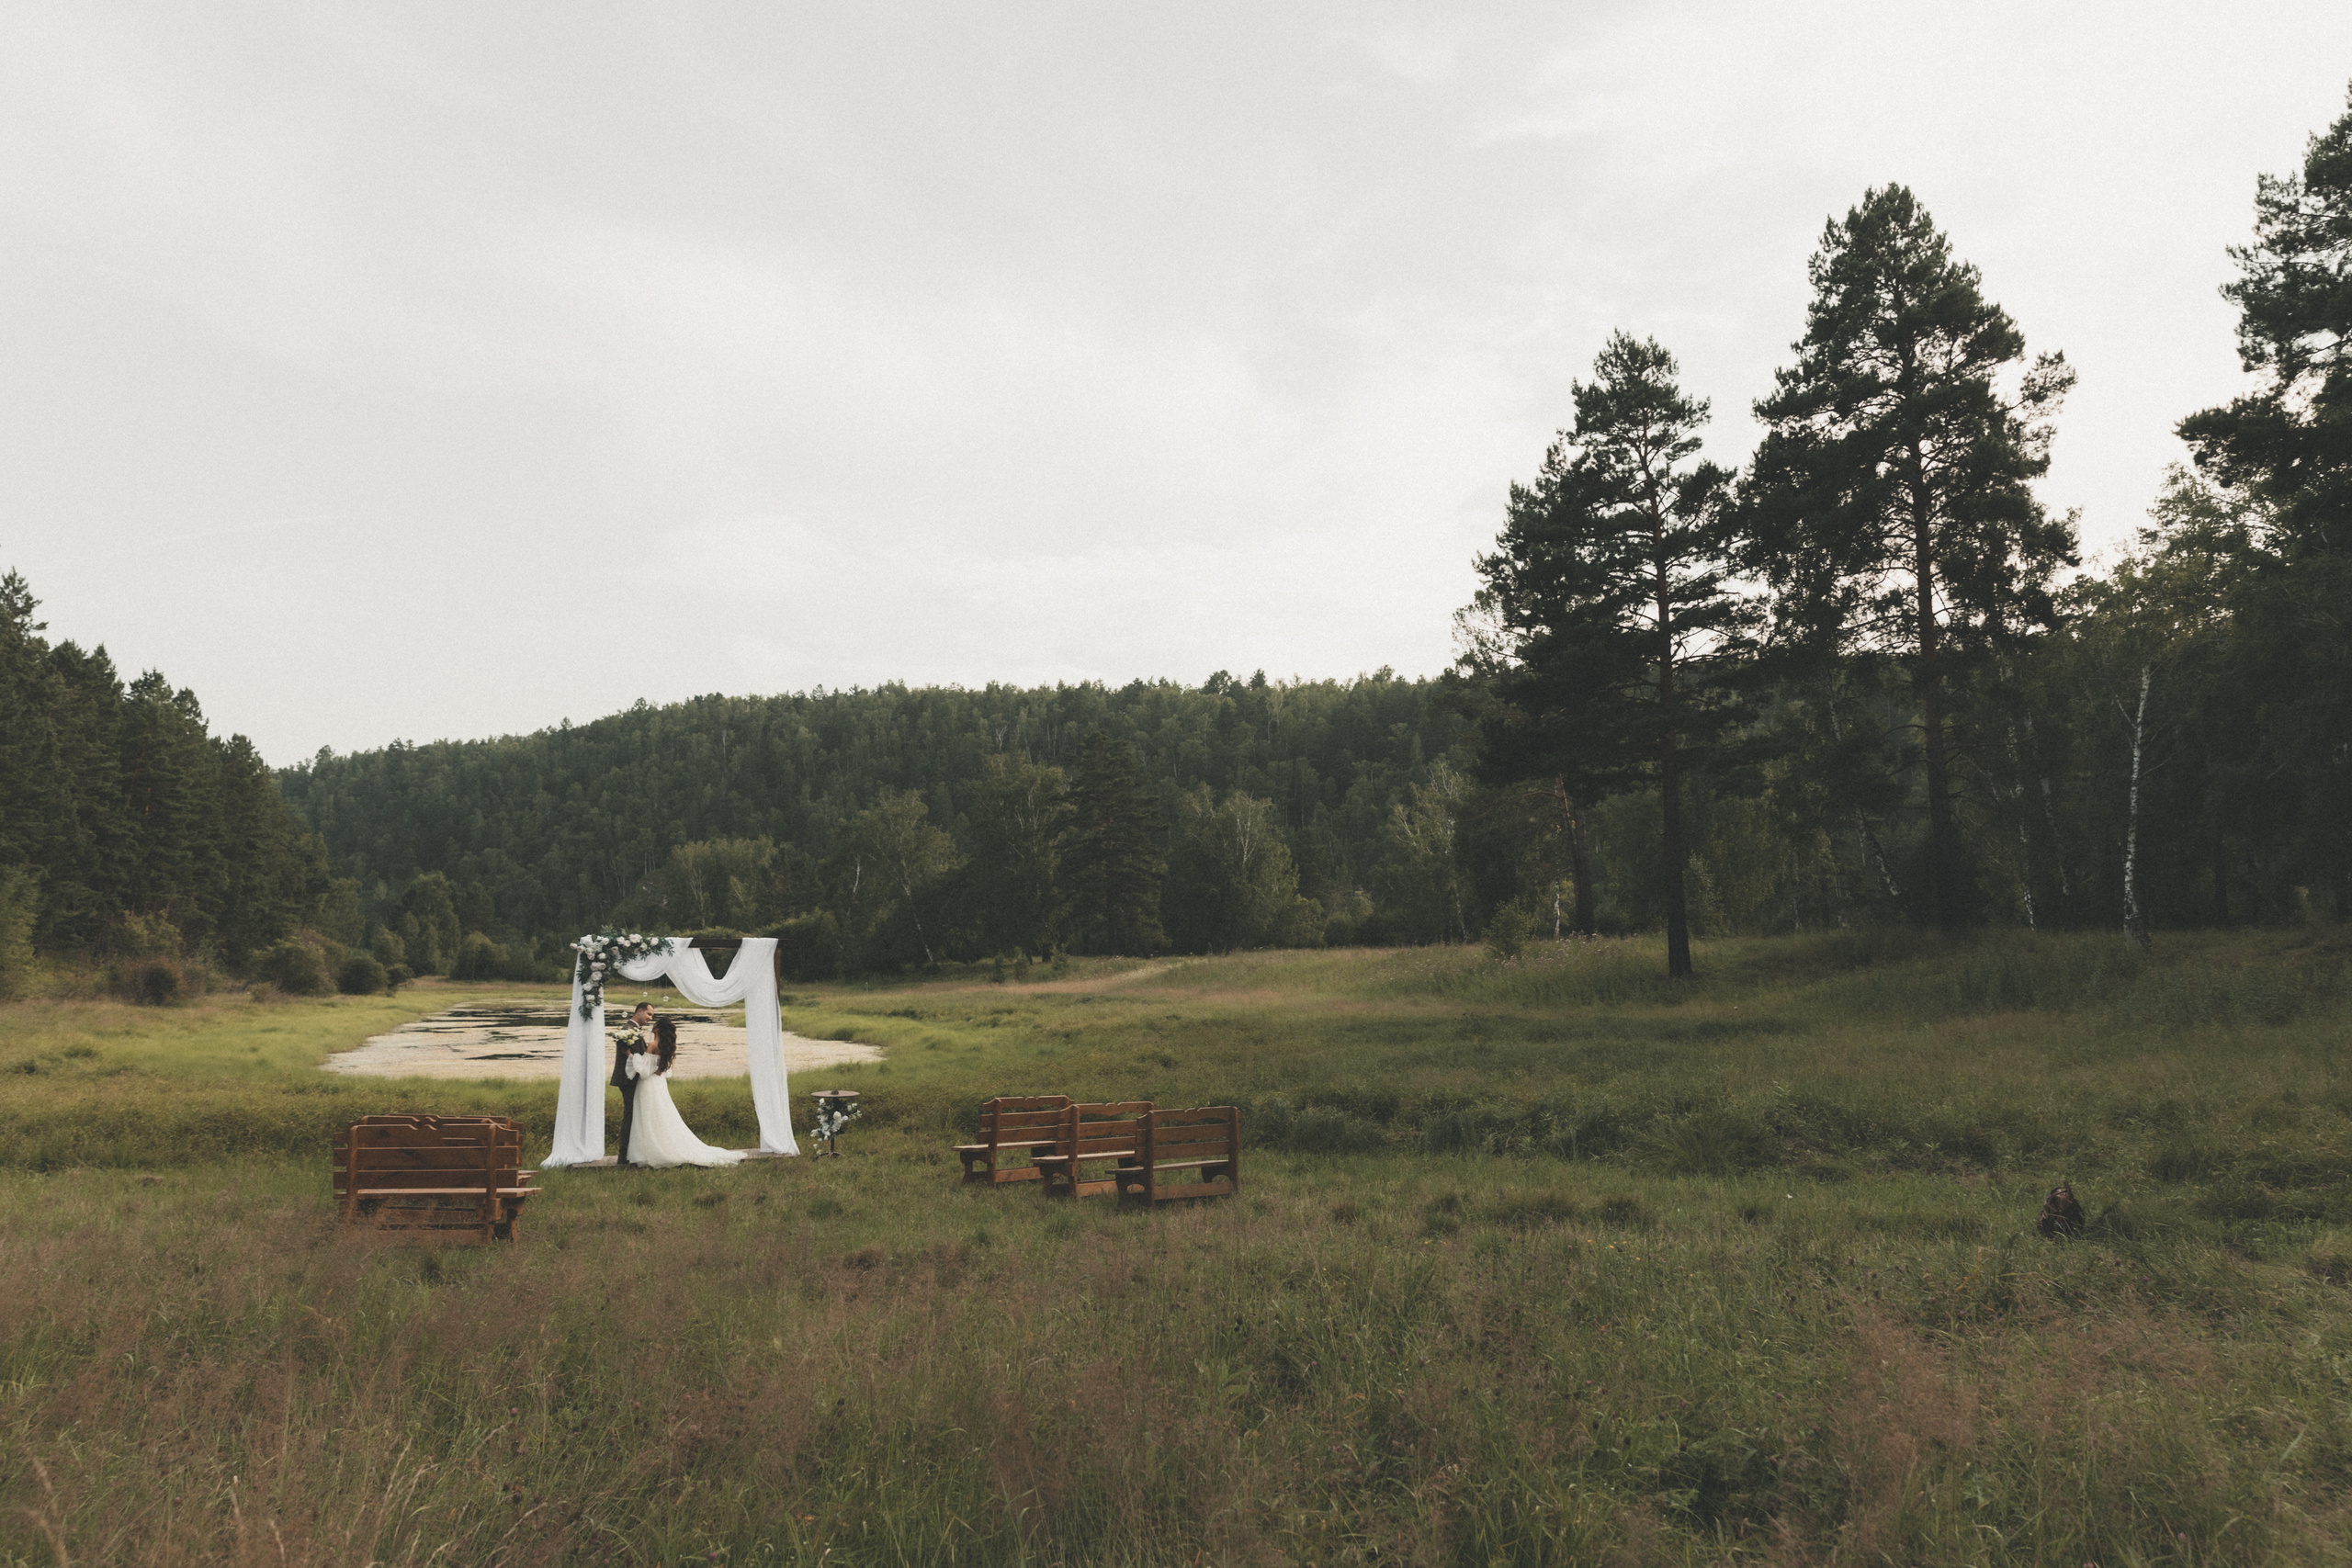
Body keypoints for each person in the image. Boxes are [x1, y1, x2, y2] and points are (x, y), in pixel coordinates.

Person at [625, 1017, 745, 1168]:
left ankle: (650, 1152)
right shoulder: (666, 1046)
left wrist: (629, 1054)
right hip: (659, 1084)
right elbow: (660, 1071)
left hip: (648, 1085)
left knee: (648, 1116)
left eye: (655, 1024)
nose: (652, 1024)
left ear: (657, 1029)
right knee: (660, 1115)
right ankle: (653, 1150)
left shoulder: (652, 1045)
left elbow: (643, 1071)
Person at [610, 1000, 655, 1168]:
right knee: (630, 1116)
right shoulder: (627, 1030)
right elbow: (632, 1056)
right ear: (639, 1011)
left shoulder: (633, 1029)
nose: (650, 1018)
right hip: (628, 1080)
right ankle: (623, 1158)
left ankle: (631, 1154)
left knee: (634, 1115)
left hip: (632, 1078)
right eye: (649, 1014)